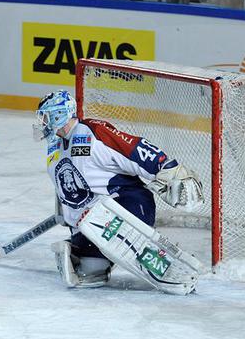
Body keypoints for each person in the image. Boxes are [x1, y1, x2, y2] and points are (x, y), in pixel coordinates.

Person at [34, 90, 204, 295]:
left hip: (128, 205)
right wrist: (68, 216)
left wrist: (168, 169)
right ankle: (96, 257)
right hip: (92, 225)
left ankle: (162, 263)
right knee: (89, 269)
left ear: (60, 114)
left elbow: (132, 147)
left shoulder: (93, 132)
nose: (41, 123)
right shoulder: (54, 149)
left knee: (105, 224)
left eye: (45, 117)